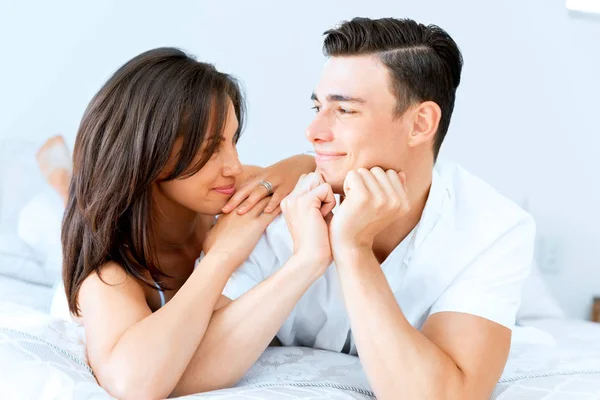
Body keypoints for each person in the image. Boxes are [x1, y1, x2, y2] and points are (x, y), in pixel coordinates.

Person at [188, 17, 536, 399]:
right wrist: (306, 261)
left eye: (345, 110)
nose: (313, 132)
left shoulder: (493, 229)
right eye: (317, 106)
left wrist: (354, 250)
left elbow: (446, 395)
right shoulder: (269, 208)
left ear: (421, 124)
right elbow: (189, 371)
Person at [57, 47, 316, 399]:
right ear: (150, 154)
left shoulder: (227, 192)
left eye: (233, 141)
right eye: (211, 149)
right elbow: (133, 384)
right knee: (64, 206)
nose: (234, 166)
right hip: (110, 235)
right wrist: (220, 257)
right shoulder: (109, 274)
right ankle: (58, 175)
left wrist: (295, 163)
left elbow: (314, 169)